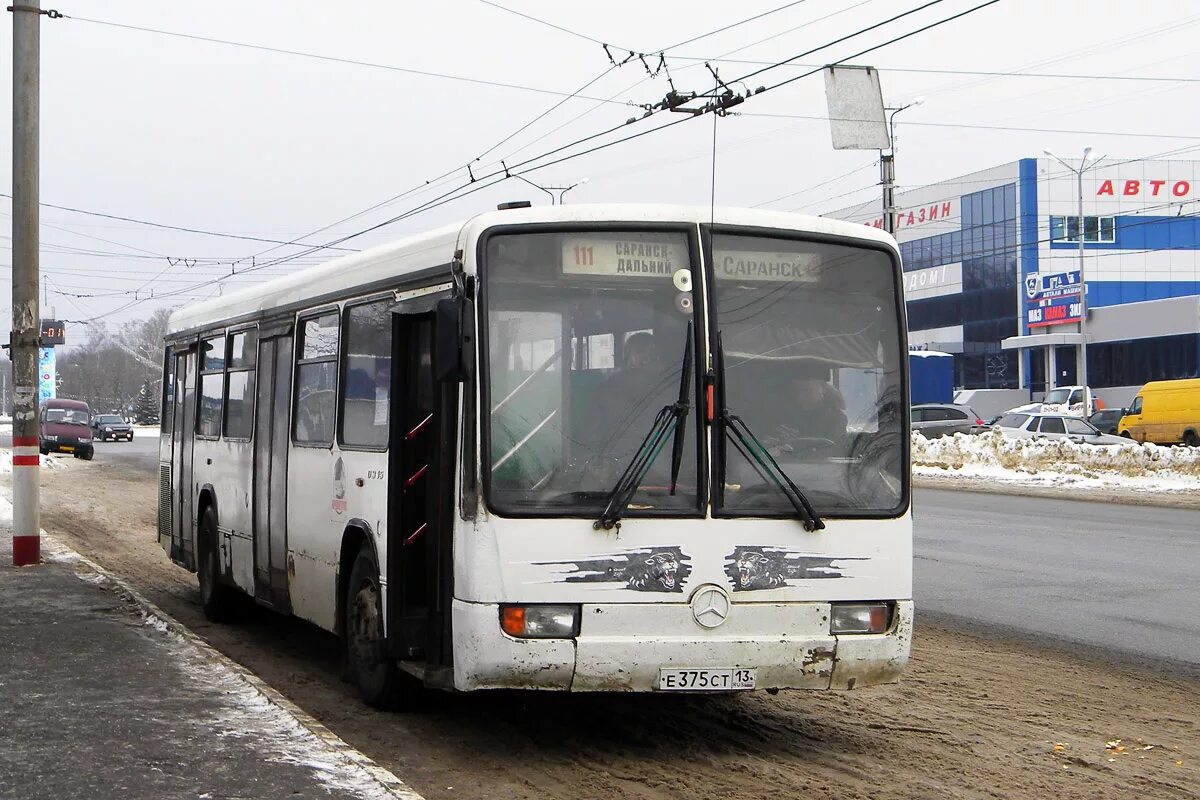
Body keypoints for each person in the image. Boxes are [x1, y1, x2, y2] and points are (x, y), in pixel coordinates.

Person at [772, 362, 847, 445]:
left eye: (807, 390)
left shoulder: (836, 419)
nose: (800, 397)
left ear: (823, 389)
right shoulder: (783, 415)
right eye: (796, 391)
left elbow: (837, 451)